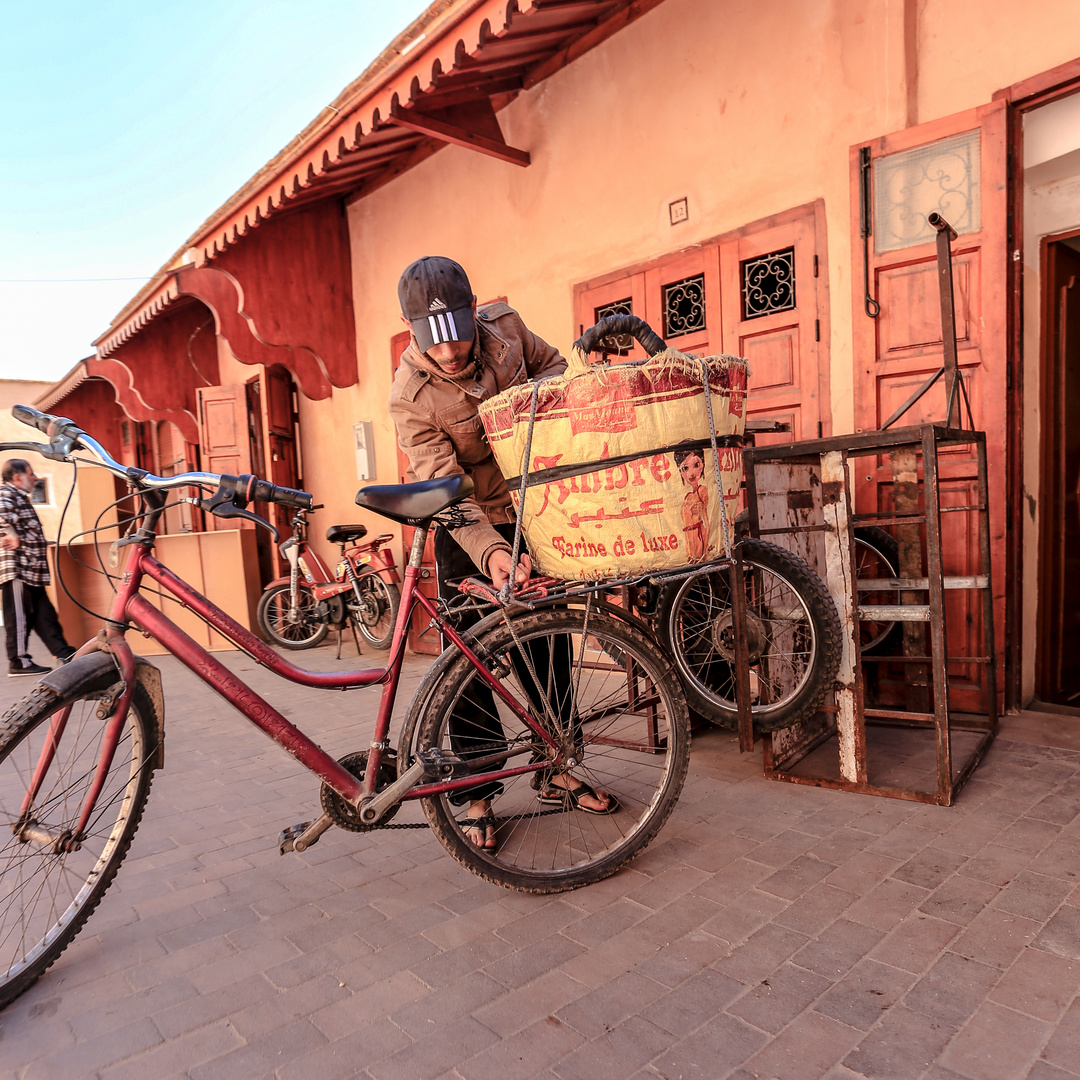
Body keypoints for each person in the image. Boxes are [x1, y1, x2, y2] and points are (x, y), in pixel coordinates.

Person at [389, 256, 617, 848]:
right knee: (468, 661)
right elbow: (445, 486)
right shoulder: (410, 397)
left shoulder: (507, 328)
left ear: (472, 315)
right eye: (432, 344)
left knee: (548, 642)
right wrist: (492, 555)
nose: (449, 354)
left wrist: (526, 412)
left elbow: (555, 367)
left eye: (457, 336)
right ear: (414, 334)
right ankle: (478, 791)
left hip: (536, 512)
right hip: (467, 529)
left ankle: (556, 766)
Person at [0, 459, 76, 676]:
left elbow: (24, 528)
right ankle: (18, 662)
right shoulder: (6, 494)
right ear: (17, 477)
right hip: (18, 569)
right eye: (31, 474)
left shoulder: (18, 497)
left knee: (45, 615)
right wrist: (12, 536)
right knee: (19, 616)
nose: (34, 478)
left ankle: (65, 653)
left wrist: (43, 543)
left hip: (32, 570)